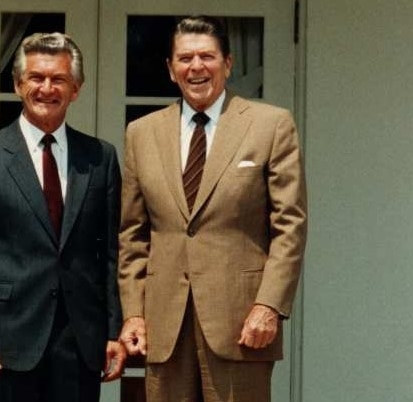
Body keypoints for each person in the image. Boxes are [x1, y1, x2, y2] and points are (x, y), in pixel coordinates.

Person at [118, 16, 308, 402]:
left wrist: (269, 304)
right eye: (185, 58)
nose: (197, 67)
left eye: (207, 56)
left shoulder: (270, 125)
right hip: (164, 324)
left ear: (228, 63)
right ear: (171, 70)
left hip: (242, 322)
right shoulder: (142, 133)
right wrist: (134, 313)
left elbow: (290, 225)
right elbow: (133, 234)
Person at [0, 32, 126, 402]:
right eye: (36, 78)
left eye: (58, 79)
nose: (47, 88)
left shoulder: (99, 157)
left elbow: (112, 253)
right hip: (5, 341)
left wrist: (114, 331)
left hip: (79, 341)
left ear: (75, 89)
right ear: (17, 85)